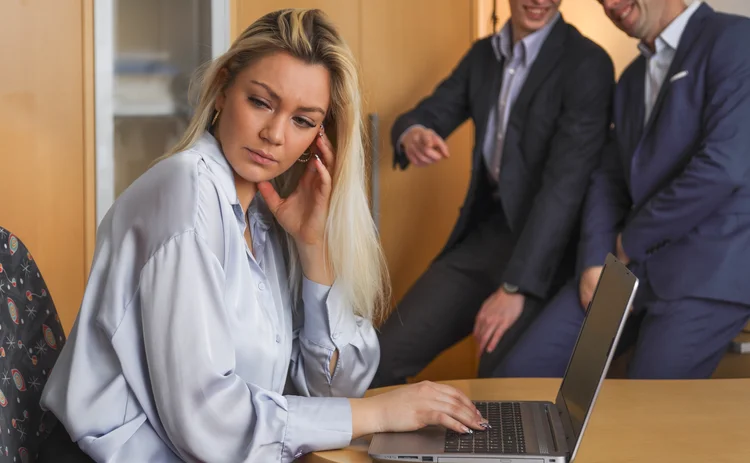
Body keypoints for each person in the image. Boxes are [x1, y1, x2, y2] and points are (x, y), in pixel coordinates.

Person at [39, 9, 490, 463]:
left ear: (319, 139)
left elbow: (330, 388)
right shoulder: (184, 193)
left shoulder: (263, 218)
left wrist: (314, 250)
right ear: (221, 90)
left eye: (303, 120)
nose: (274, 135)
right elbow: (209, 422)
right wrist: (376, 414)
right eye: (261, 102)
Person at [494, 0, 750, 380]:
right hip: (625, 266)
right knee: (518, 373)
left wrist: (630, 241)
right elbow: (607, 176)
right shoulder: (630, 78)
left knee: (644, 407)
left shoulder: (734, 39)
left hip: (707, 268)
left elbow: (722, 168)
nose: (611, 5)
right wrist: (596, 259)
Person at [371, 0, 615, 386]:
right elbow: (429, 112)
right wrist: (413, 133)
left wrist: (515, 286)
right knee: (379, 359)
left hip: (549, 252)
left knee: (497, 382)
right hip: (487, 237)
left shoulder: (587, 63)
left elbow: (563, 189)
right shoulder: (483, 55)